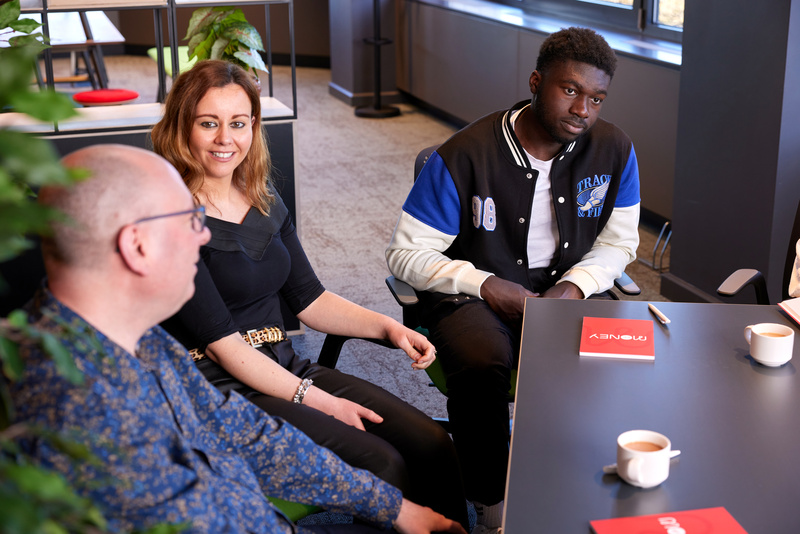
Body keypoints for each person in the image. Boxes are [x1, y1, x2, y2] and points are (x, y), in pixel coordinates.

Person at [9, 144, 465, 534]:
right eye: (188, 220)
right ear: (137, 245)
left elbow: (240, 430)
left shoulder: (138, 339)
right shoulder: (83, 403)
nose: (203, 234)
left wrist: (396, 509)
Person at [150, 60, 469, 529]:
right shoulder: (170, 217)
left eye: (238, 123)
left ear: (253, 126)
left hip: (282, 361)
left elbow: (310, 299)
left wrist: (387, 326)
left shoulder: (262, 196)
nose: (225, 139)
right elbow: (225, 345)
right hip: (218, 384)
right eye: (208, 123)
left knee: (433, 445)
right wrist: (318, 399)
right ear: (182, 126)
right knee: (382, 463)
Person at [386, 27, 641, 533]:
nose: (582, 110)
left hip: (565, 289)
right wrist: (484, 284)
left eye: (595, 98)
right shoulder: (465, 153)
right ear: (536, 81)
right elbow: (404, 253)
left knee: (616, 359)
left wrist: (576, 285)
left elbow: (619, 243)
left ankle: (586, 487)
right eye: (569, 90)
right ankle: (492, 504)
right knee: (484, 362)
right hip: (472, 295)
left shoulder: (613, 149)